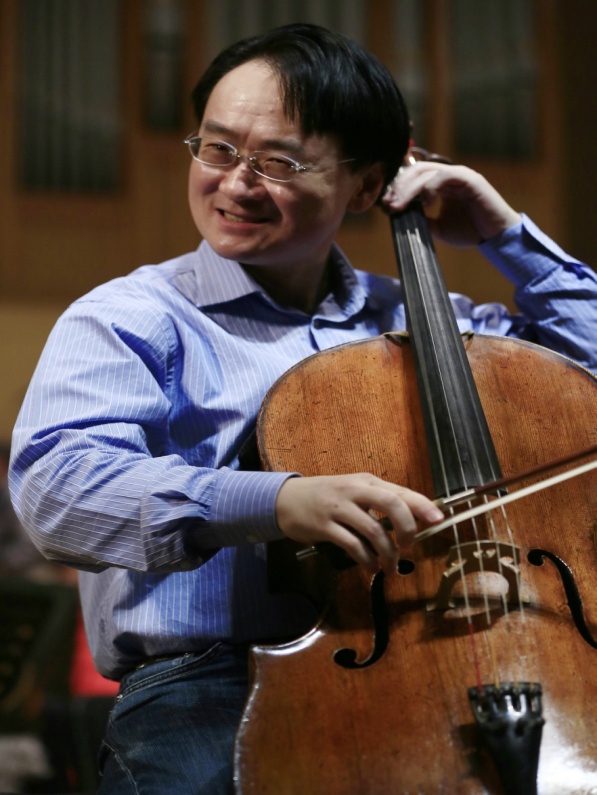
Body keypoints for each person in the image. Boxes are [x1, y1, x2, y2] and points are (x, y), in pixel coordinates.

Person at [8, 22, 597, 795]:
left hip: (458, 659)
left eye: (278, 162)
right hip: (209, 688)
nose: (235, 183)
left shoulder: (437, 330)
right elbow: (57, 492)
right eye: (216, 149)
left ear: (365, 186)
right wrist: (279, 501)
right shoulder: (131, 317)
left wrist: (507, 236)